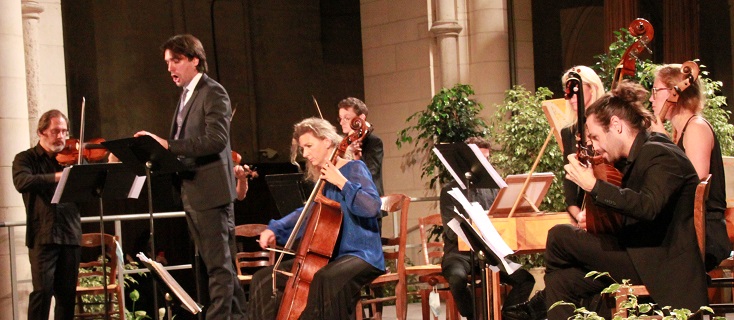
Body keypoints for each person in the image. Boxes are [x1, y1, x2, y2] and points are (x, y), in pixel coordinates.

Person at [546, 80, 706, 319]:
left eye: (596, 137)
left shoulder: (660, 154)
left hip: (659, 262)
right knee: (562, 280)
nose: (594, 145)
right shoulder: (635, 156)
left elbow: (648, 206)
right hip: (639, 253)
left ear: (616, 125)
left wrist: (593, 185)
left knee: (559, 236)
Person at [134, 34, 245, 320]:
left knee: (219, 268)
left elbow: (216, 140)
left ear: (195, 60)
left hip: (211, 192)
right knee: (217, 266)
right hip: (191, 190)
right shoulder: (185, 95)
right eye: (167, 62)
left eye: (176, 60)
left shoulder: (213, 91)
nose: (170, 67)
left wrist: (167, 144)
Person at [246, 117, 384, 320]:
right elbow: (306, 213)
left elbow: (372, 207)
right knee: (265, 278)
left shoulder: (354, 169)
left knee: (325, 279)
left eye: (309, 146)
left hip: (362, 254)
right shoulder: (323, 181)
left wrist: (342, 182)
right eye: (302, 148)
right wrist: (274, 229)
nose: (305, 154)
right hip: (332, 257)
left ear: (327, 141)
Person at [439, 137, 535, 320]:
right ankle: (475, 316)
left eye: (487, 159)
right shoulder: (449, 190)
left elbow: (502, 223)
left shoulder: (494, 189)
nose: (485, 164)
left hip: (490, 254)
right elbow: (451, 233)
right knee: (457, 278)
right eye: (481, 160)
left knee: (525, 280)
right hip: (459, 254)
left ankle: (508, 316)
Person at [649, 63, 730, 271]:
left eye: (656, 91)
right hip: (686, 229)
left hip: (704, 232)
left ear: (675, 92)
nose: (651, 98)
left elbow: (694, 183)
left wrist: (664, 144)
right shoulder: (679, 133)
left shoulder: (696, 127)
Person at [12, 109, 80, 320]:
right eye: (55, 131)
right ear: (41, 132)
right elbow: (22, 182)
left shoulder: (73, 160)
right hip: (43, 235)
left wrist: (111, 160)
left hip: (70, 233)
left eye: (64, 132)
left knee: (67, 296)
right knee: (42, 293)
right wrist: (56, 177)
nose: (61, 137)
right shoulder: (25, 159)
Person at [559, 66, 606, 227]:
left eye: (576, 89)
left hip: (607, 205)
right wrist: (579, 215)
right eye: (568, 92)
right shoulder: (568, 132)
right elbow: (569, 183)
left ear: (592, 89)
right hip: (582, 211)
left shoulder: (608, 126)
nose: (571, 97)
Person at [337, 97, 384, 195]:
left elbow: (371, 173)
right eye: (340, 118)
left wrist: (357, 156)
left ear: (361, 118)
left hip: (368, 198)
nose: (341, 122)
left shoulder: (373, 142)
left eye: (347, 118)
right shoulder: (342, 144)